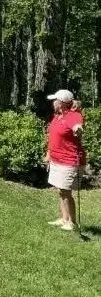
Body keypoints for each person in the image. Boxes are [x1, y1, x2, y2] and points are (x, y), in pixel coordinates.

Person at [45, 89, 86, 231]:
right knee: (61, 191)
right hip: (57, 159)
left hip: (69, 160)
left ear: (61, 103)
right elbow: (52, 137)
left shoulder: (73, 115)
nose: (53, 102)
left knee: (67, 192)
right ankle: (64, 218)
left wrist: (78, 130)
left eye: (55, 100)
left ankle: (72, 223)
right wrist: (49, 155)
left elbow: (77, 125)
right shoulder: (57, 116)